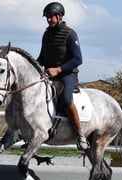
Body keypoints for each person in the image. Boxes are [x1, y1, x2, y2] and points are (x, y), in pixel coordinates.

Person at [37, 2, 89, 151]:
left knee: (66, 99)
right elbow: (42, 57)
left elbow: (78, 60)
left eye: (50, 17)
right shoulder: (46, 34)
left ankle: (80, 134)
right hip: (49, 75)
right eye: (46, 17)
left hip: (67, 75)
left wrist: (58, 70)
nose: (48, 20)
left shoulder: (70, 34)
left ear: (59, 16)